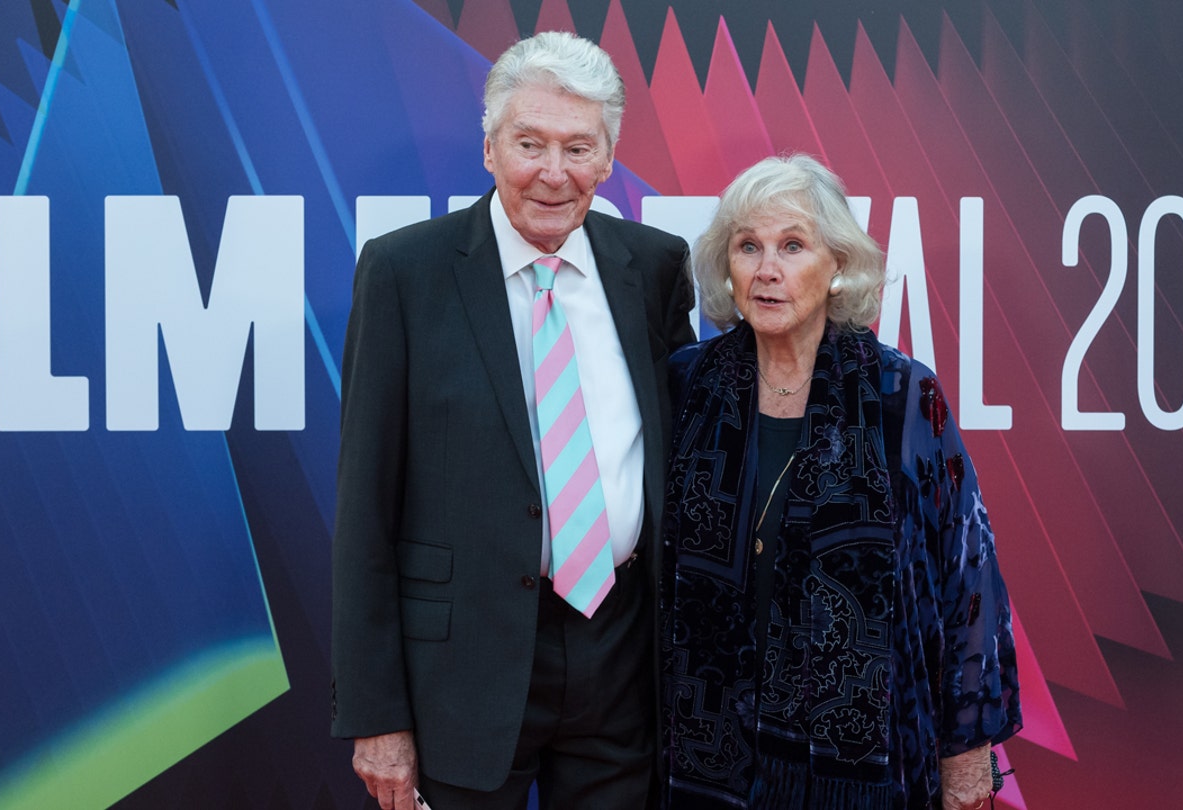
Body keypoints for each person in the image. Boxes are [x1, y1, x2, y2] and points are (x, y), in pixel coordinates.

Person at [332, 31, 696, 810]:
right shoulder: (404, 273)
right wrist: (375, 715)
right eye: (530, 143)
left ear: (608, 159)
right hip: (461, 671)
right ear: (490, 149)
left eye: (578, 148)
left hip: (622, 658)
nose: (553, 173)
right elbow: (365, 507)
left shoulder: (655, 267)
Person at [659, 155, 1020, 809]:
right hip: (708, 758)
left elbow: (966, 578)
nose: (767, 269)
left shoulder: (901, 395)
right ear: (727, 265)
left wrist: (968, 755)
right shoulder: (687, 385)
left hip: (867, 765)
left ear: (838, 266)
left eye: (793, 246)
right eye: (748, 246)